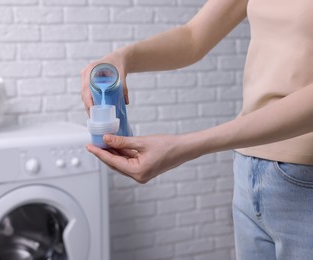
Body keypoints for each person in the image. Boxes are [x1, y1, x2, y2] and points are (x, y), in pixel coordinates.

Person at [81, 0, 313, 259]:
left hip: (305, 180)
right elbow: (193, 36)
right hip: (248, 169)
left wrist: (187, 146)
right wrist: (123, 57)